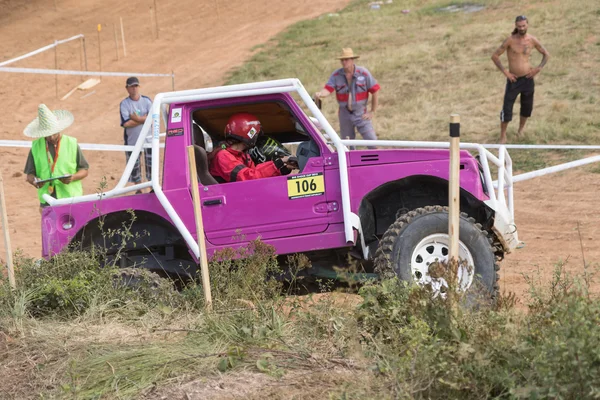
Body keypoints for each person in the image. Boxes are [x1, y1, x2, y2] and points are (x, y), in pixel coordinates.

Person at [491, 16, 550, 144]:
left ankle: (520, 130)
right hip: (514, 80)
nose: (521, 28)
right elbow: (495, 56)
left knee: (527, 106)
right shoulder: (510, 40)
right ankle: (503, 135)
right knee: (507, 107)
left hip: (528, 79)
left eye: (523, 26)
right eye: (519, 26)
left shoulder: (532, 40)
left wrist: (538, 69)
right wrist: (506, 72)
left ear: (527, 25)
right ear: (516, 26)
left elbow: (546, 54)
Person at [23, 104, 89, 208]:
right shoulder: (35, 147)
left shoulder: (71, 143)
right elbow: (29, 175)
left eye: (54, 133)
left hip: (71, 198)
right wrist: (35, 181)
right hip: (47, 200)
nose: (51, 137)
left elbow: (84, 170)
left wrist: (73, 177)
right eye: (48, 134)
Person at [315, 48, 380, 148]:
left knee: (372, 140)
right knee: (347, 144)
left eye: (347, 59)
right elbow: (328, 89)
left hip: (361, 113)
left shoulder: (363, 73)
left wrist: (372, 111)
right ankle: (351, 162)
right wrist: (321, 94)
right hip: (344, 114)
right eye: (342, 60)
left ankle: (376, 161)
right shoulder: (336, 75)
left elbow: (375, 90)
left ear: (352, 60)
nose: (344, 62)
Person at [209, 113, 297, 183]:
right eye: (256, 134)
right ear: (250, 134)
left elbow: (256, 171)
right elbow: (249, 178)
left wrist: (283, 169)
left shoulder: (243, 155)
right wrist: (279, 162)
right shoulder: (223, 156)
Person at [119, 76, 153, 191]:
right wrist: (143, 119)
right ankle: (138, 188)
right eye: (131, 86)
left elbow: (152, 119)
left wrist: (136, 118)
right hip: (132, 141)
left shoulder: (147, 101)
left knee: (151, 164)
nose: (134, 89)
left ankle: (151, 186)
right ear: (127, 88)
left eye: (136, 86)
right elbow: (125, 123)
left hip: (148, 140)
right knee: (135, 166)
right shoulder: (124, 104)